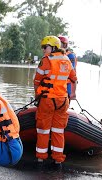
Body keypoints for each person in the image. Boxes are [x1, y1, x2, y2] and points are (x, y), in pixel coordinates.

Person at [33, 36, 77, 170]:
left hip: (47, 100)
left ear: (52, 47)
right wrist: (72, 94)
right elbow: (74, 78)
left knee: (43, 129)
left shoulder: (46, 61)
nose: (43, 50)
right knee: (58, 130)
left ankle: (41, 158)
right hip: (63, 101)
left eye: (44, 47)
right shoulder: (67, 60)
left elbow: (37, 81)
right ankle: (58, 160)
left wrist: (37, 96)